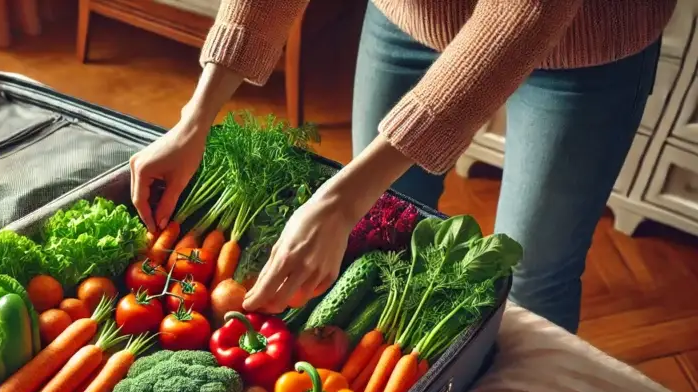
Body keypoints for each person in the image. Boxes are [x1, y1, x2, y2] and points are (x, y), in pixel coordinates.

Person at [128, 0, 676, 334]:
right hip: (408, 15)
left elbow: (528, 10)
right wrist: (195, 117)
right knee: (383, 232)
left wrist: (341, 199)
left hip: (587, 42)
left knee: (534, 269)